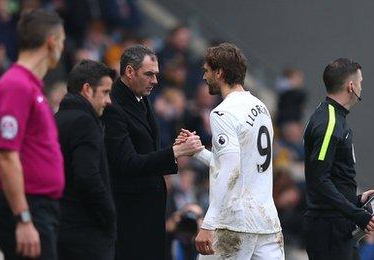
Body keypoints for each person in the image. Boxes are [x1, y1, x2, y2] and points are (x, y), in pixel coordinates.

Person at [177, 43, 285, 259]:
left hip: (234, 223)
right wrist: (199, 151)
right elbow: (242, 164)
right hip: (267, 223)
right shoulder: (261, 107)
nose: (205, 77)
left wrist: (208, 223)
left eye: (207, 71)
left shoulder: (222, 113)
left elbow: (230, 168)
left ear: (219, 72)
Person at [102, 45, 203, 259]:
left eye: (156, 75)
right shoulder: (113, 106)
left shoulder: (141, 98)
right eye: (149, 74)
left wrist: (174, 148)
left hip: (148, 210)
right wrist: (174, 152)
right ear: (130, 72)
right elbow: (127, 162)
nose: (155, 81)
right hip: (128, 214)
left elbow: (147, 149)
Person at [0, 9, 66, 260]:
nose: (63, 49)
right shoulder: (17, 85)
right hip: (28, 206)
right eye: (62, 41)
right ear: (51, 42)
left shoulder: (31, 86)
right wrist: (23, 217)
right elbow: (7, 156)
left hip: (39, 206)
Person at [302, 58, 374, 260]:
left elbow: (330, 177)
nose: (362, 87)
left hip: (338, 225)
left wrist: (357, 200)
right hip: (328, 228)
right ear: (351, 86)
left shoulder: (335, 118)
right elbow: (319, 179)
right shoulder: (328, 122)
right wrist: (356, 213)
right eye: (361, 82)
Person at [54, 59, 117, 259]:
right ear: (87, 89)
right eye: (105, 92)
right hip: (85, 234)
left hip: (59, 228)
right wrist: (109, 216)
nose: (109, 101)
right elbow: (87, 176)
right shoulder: (85, 122)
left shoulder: (56, 119)